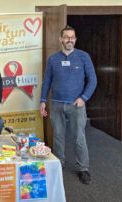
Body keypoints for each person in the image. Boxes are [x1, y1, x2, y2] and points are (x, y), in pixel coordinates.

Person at [40, 26, 97, 184]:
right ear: (61, 39)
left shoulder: (83, 56)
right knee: (58, 136)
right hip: (56, 104)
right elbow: (47, 82)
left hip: (76, 105)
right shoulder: (53, 59)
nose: (69, 40)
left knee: (79, 137)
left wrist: (84, 98)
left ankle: (83, 168)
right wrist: (43, 101)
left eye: (72, 37)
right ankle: (59, 163)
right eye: (66, 37)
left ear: (75, 39)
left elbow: (93, 80)